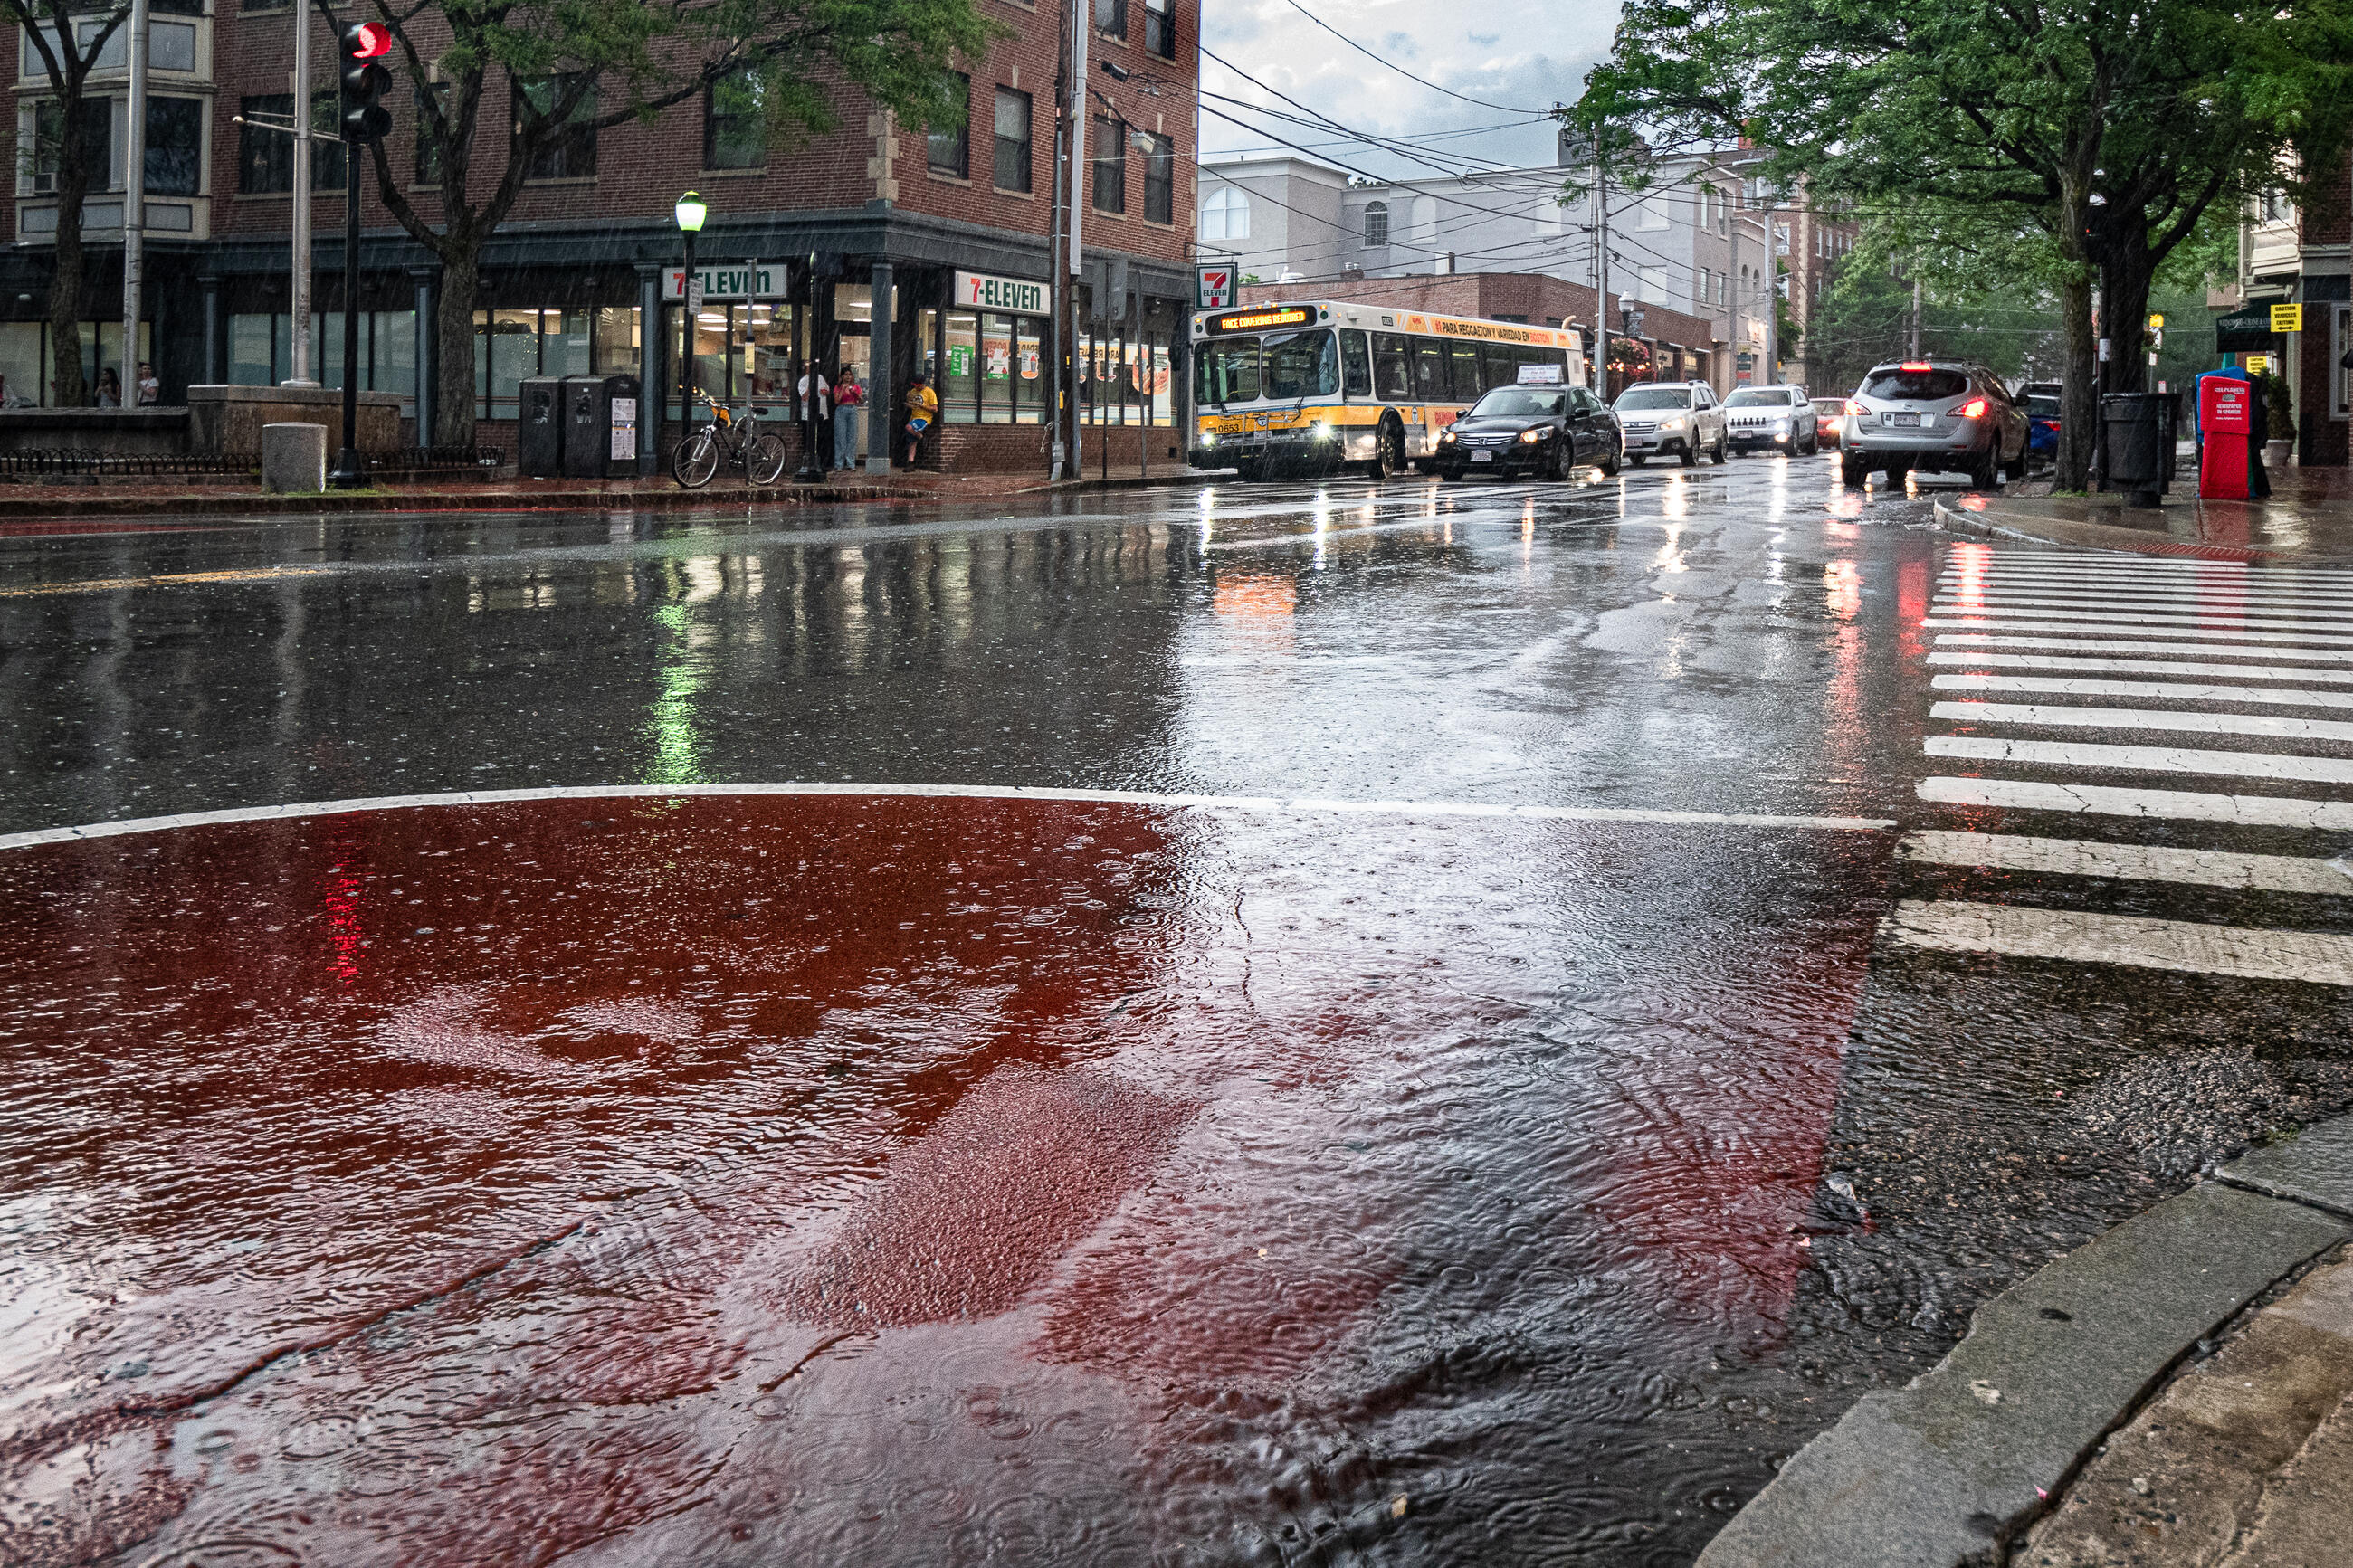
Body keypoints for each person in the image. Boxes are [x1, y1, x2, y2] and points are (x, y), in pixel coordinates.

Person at [798, 363, 832, 470]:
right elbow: (804, 397)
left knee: (821, 438)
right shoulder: (803, 381)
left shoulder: (821, 377)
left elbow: (827, 391)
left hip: (822, 413)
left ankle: (822, 463)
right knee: (809, 438)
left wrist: (824, 391)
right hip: (808, 415)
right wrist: (811, 386)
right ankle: (809, 462)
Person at [832, 367, 863, 472]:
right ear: (842, 376)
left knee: (852, 437)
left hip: (852, 410)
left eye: (850, 375)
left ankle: (851, 463)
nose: (848, 377)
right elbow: (836, 401)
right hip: (841, 410)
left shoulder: (856, 387)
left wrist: (855, 393)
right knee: (840, 437)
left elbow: (861, 401)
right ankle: (839, 464)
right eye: (845, 375)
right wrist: (842, 389)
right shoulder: (837, 387)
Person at [903, 373, 938, 468]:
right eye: (914, 385)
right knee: (912, 442)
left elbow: (935, 409)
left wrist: (922, 406)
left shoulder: (929, 392)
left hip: (924, 418)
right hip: (914, 418)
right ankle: (911, 462)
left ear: (922, 384)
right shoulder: (913, 392)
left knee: (909, 427)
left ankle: (920, 436)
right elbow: (913, 406)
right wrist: (907, 402)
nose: (916, 388)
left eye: (917, 385)